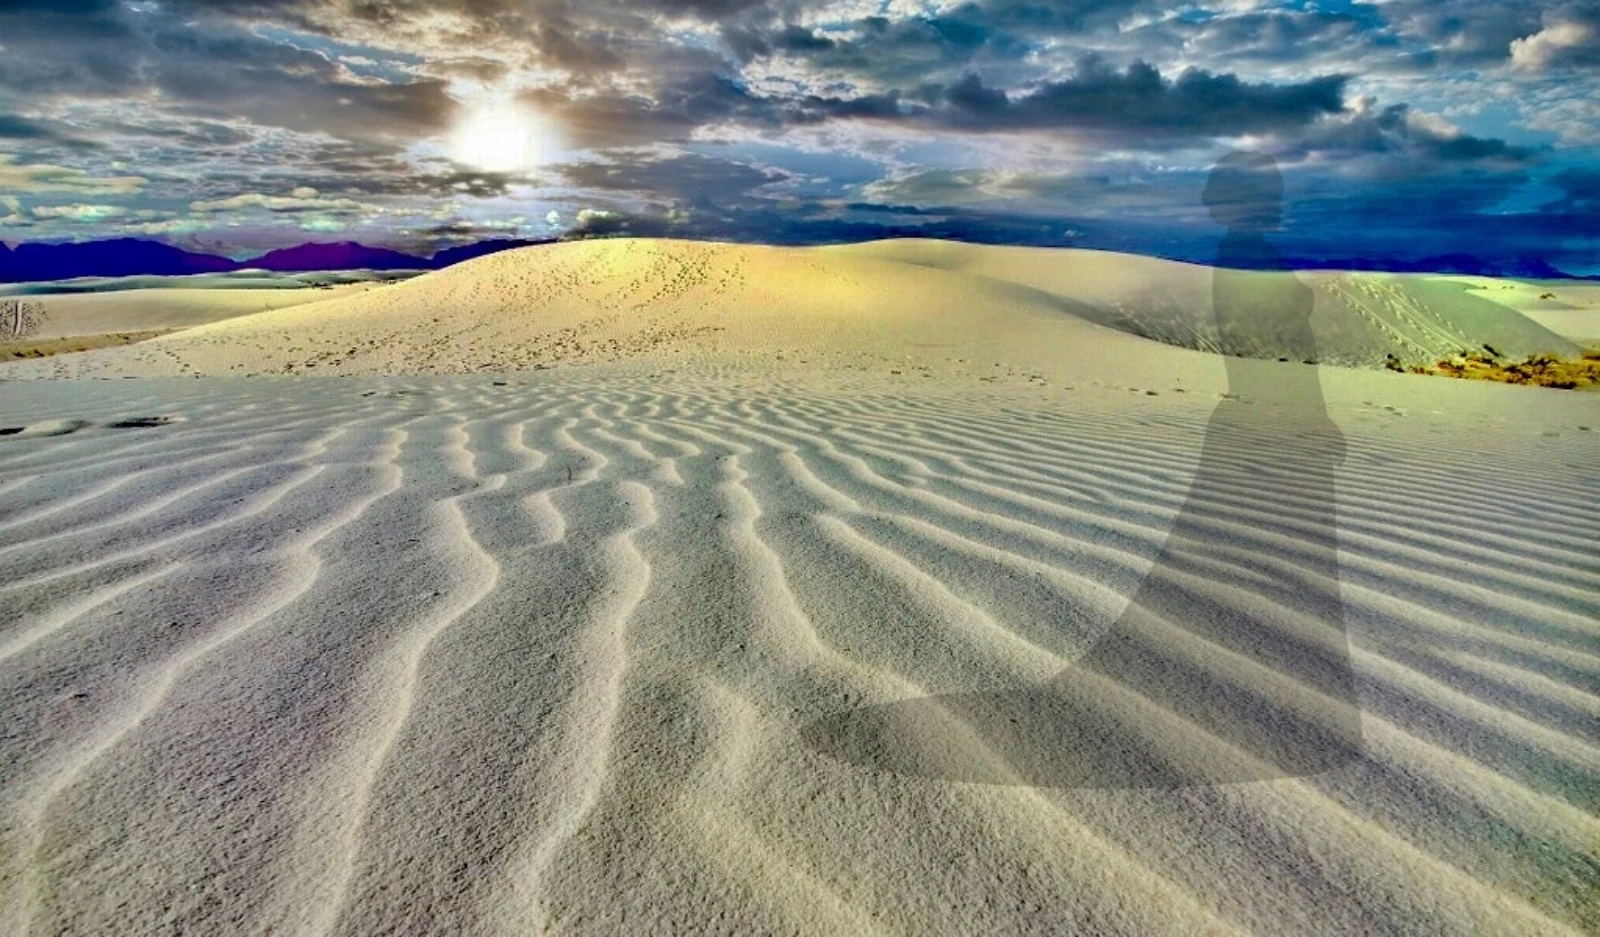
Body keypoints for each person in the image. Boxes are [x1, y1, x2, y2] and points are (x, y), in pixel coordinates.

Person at [801, 152, 1364, 788]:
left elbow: (1273, 363)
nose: (1258, 201)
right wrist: (1304, 425)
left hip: (1269, 435)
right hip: (1267, 437)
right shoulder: (1243, 262)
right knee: (1260, 569)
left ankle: (1270, 717)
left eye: (1252, 190)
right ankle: (1256, 720)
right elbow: (1260, 363)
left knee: (1264, 570)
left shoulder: (1245, 256)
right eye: (1250, 191)